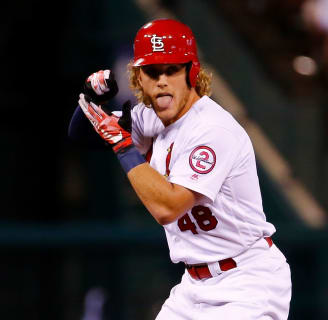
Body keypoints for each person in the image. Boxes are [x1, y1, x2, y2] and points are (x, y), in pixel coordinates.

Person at [69, 18, 292, 319]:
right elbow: (81, 135)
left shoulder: (212, 129)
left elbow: (168, 207)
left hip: (246, 282)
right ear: (139, 79)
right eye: (152, 71)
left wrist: (123, 146)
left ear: (192, 72)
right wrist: (89, 96)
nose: (162, 80)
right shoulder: (152, 118)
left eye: (172, 69)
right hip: (193, 287)